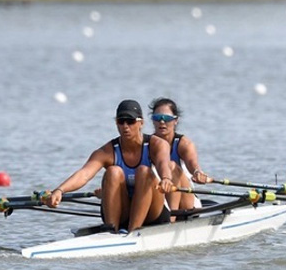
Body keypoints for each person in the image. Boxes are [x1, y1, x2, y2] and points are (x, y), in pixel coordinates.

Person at [43, 100, 174, 233]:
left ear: (141, 123)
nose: (125, 126)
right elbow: (84, 174)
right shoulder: (107, 151)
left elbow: (163, 163)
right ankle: (111, 230)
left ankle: (133, 231)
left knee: (143, 171)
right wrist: (60, 190)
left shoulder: (157, 144)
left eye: (130, 121)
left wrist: (166, 179)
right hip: (123, 211)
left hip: (152, 212)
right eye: (121, 121)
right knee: (113, 171)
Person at [149, 97, 209, 219]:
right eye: (157, 118)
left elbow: (192, 163)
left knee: (170, 165)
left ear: (176, 120)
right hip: (159, 198)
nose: (162, 122)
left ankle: (170, 221)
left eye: (167, 118)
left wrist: (197, 172)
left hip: (186, 203)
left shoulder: (184, 144)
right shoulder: (147, 144)